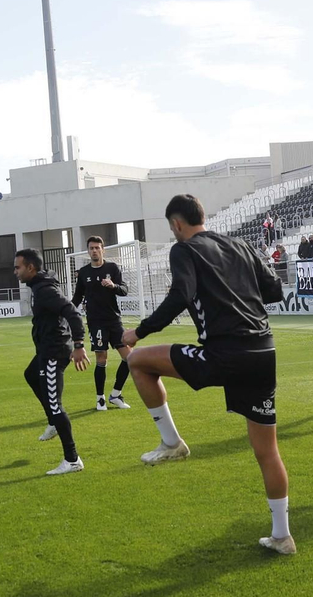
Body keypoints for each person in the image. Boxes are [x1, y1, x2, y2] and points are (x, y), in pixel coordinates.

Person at [119, 194, 294, 555]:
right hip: (264, 351)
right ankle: (282, 536)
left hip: (225, 352)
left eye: (171, 227)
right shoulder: (241, 245)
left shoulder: (184, 249)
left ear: (178, 224)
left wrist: (139, 331)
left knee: (137, 361)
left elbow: (180, 295)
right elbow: (274, 290)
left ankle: (171, 443)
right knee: (267, 451)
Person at [15, 248, 89, 475]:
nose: (15, 271)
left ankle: (72, 459)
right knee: (30, 375)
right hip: (46, 350)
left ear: (30, 267)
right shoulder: (38, 286)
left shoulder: (45, 289)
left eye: (18, 267)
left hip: (54, 353)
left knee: (55, 404)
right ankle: (52, 422)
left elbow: (72, 313)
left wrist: (78, 344)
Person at [71, 235, 132, 411]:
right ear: (88, 251)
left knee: (129, 358)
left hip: (114, 320)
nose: (94, 251)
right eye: (91, 248)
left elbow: (124, 290)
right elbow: (77, 297)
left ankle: (116, 394)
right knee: (101, 358)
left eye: (97, 248)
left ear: (103, 250)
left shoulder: (112, 268)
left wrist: (113, 286)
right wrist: (66, 311)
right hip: (96, 322)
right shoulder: (83, 273)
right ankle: (100, 399)